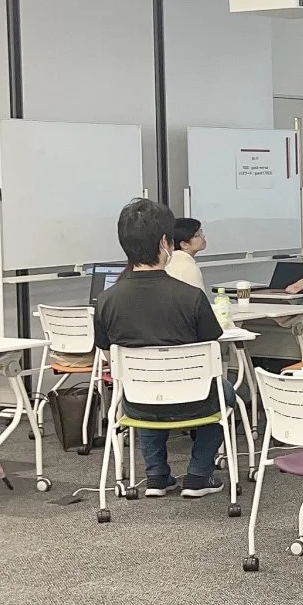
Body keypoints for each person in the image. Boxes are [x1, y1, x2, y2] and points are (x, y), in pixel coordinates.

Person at [94, 199, 230, 499]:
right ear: (166, 243)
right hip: (194, 402)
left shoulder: (106, 301)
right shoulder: (191, 297)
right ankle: (199, 475)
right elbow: (212, 353)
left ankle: (156, 476)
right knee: (225, 391)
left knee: (146, 384)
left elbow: (109, 357)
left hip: (136, 403)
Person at [167, 217, 207, 292]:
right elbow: (198, 298)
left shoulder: (168, 262)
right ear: (184, 244)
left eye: (201, 232)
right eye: (197, 235)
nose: (203, 236)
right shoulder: (189, 267)